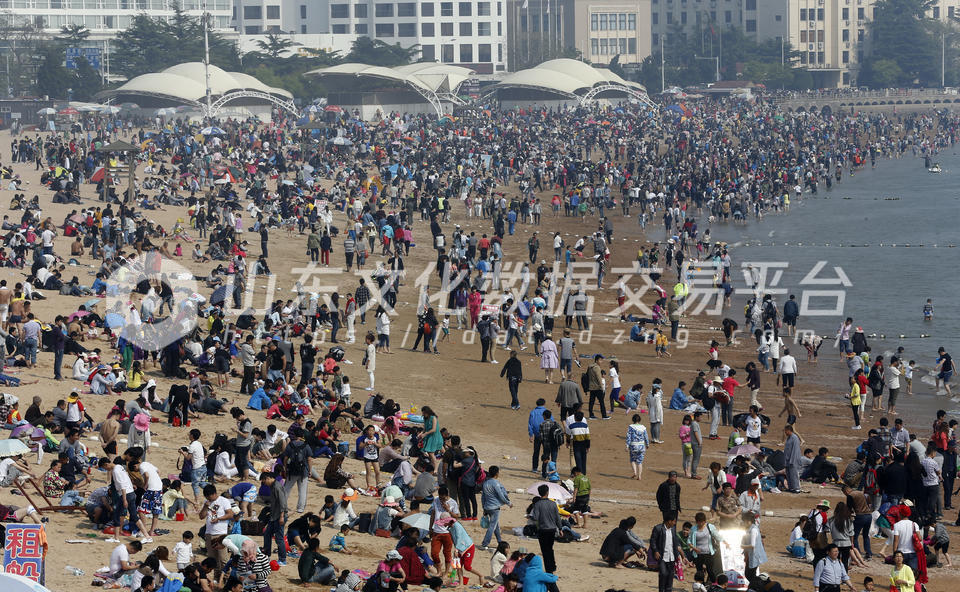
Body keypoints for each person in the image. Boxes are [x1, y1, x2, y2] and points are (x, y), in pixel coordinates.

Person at [528, 484, 561, 574]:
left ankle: (549, 569)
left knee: (545, 550)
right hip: (552, 529)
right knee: (550, 548)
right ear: (547, 492)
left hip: (543, 530)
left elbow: (535, 518)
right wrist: (560, 528)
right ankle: (552, 566)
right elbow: (557, 517)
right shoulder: (553, 504)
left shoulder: (537, 504)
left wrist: (530, 516)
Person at [650, 512, 683, 592]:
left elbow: (675, 542)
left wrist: (678, 555)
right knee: (663, 574)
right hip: (662, 556)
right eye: (674, 521)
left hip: (672, 556)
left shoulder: (673, 529)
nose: (675, 523)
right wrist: (655, 551)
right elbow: (653, 541)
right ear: (669, 521)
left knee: (670, 575)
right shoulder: (658, 528)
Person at [480, 465, 512, 549]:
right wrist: (508, 503)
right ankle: (485, 543)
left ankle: (500, 542)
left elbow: (483, 497)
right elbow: (501, 495)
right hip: (494, 508)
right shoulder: (496, 483)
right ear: (497, 473)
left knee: (496, 525)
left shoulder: (485, 483)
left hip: (487, 507)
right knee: (492, 526)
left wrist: (484, 507)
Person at [740, 512, 766, 581]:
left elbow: (752, 545)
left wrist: (743, 546)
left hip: (755, 555)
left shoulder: (753, 530)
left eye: (744, 521)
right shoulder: (751, 528)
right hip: (752, 554)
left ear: (748, 521)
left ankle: (758, 584)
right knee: (750, 574)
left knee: (749, 574)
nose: (743, 523)